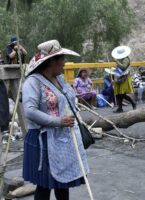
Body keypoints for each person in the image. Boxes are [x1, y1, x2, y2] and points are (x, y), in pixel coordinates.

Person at [22, 40, 88, 200]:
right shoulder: (33, 82)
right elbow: (30, 111)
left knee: (62, 184)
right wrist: (59, 121)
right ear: (52, 62)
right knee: (44, 186)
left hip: (63, 140)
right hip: (43, 139)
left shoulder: (60, 80)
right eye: (61, 59)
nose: (64, 63)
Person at [111, 46, 136, 113]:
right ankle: (120, 108)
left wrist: (116, 62)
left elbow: (124, 68)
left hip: (124, 78)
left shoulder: (126, 59)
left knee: (122, 93)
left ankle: (133, 103)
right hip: (119, 77)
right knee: (118, 93)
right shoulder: (121, 59)